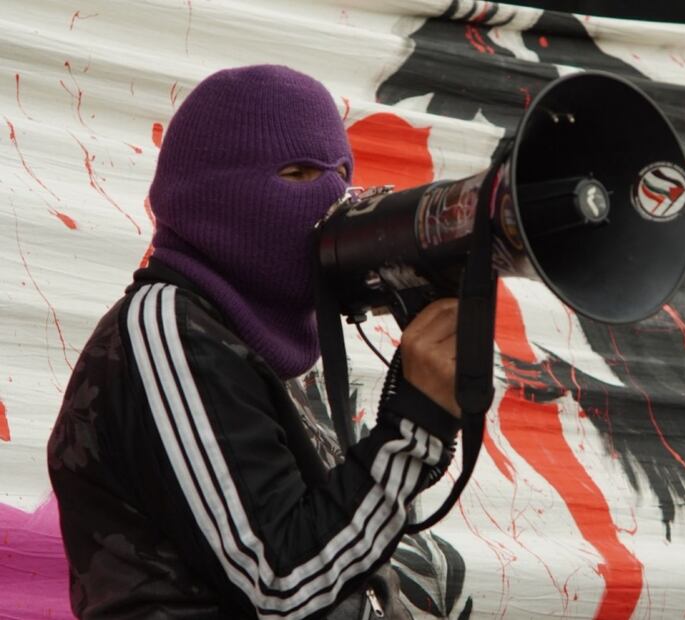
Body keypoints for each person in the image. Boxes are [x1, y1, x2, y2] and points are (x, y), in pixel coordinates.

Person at [47, 65, 461, 619]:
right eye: (299, 173)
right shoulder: (168, 328)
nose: (333, 197)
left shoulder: (253, 341)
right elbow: (281, 583)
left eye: (343, 173)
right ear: (217, 192)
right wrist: (415, 423)